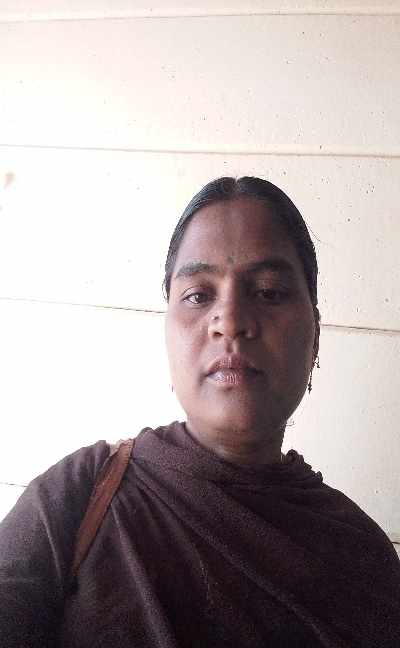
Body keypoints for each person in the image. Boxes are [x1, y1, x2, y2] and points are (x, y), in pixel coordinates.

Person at [0, 176, 399, 647]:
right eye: (197, 295)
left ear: (315, 333)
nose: (229, 321)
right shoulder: (77, 495)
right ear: (168, 331)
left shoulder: (363, 558)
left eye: (269, 291)